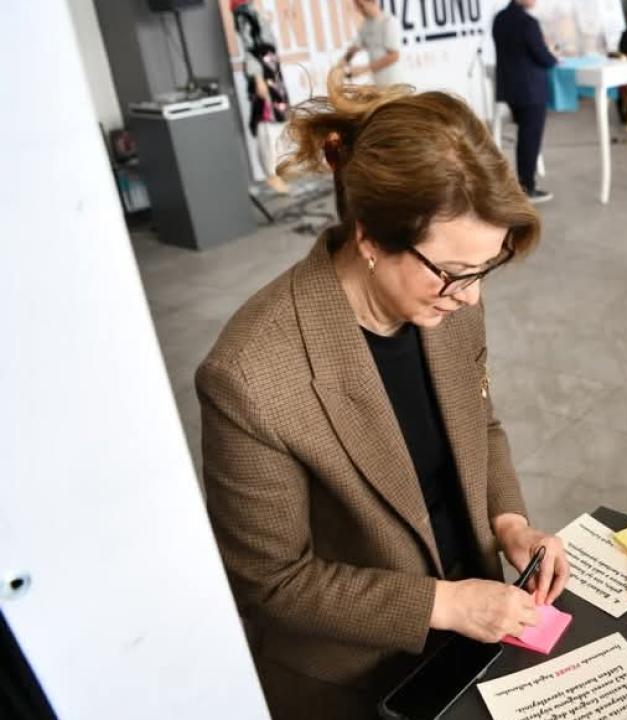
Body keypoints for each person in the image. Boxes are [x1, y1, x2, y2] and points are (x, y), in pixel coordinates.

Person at [197, 75, 571, 719]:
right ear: (370, 238)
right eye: (455, 274)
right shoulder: (250, 378)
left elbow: (480, 426)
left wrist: (508, 521)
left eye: (485, 270)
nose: (472, 297)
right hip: (354, 680)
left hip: (473, 627)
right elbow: (272, 583)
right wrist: (445, 604)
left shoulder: (447, 302)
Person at [492, 0, 558, 203]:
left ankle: (523, 184)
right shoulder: (528, 23)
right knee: (529, 140)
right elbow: (543, 57)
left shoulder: (499, 19)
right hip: (530, 91)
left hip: (509, 90)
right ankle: (526, 187)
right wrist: (554, 57)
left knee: (525, 138)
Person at [232, 0, 290, 194]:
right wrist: (257, 78)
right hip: (262, 74)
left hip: (271, 71)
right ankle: (270, 174)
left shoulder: (255, 10)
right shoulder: (244, 12)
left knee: (276, 122)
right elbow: (249, 48)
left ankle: (275, 171)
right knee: (266, 123)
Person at [340, 0, 406, 87]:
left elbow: (394, 56)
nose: (359, 10)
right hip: (378, 84)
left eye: (362, 6)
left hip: (394, 84)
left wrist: (364, 69)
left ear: (373, 2)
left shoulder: (389, 22)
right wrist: (344, 61)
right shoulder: (366, 24)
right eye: (357, 7)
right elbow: (356, 46)